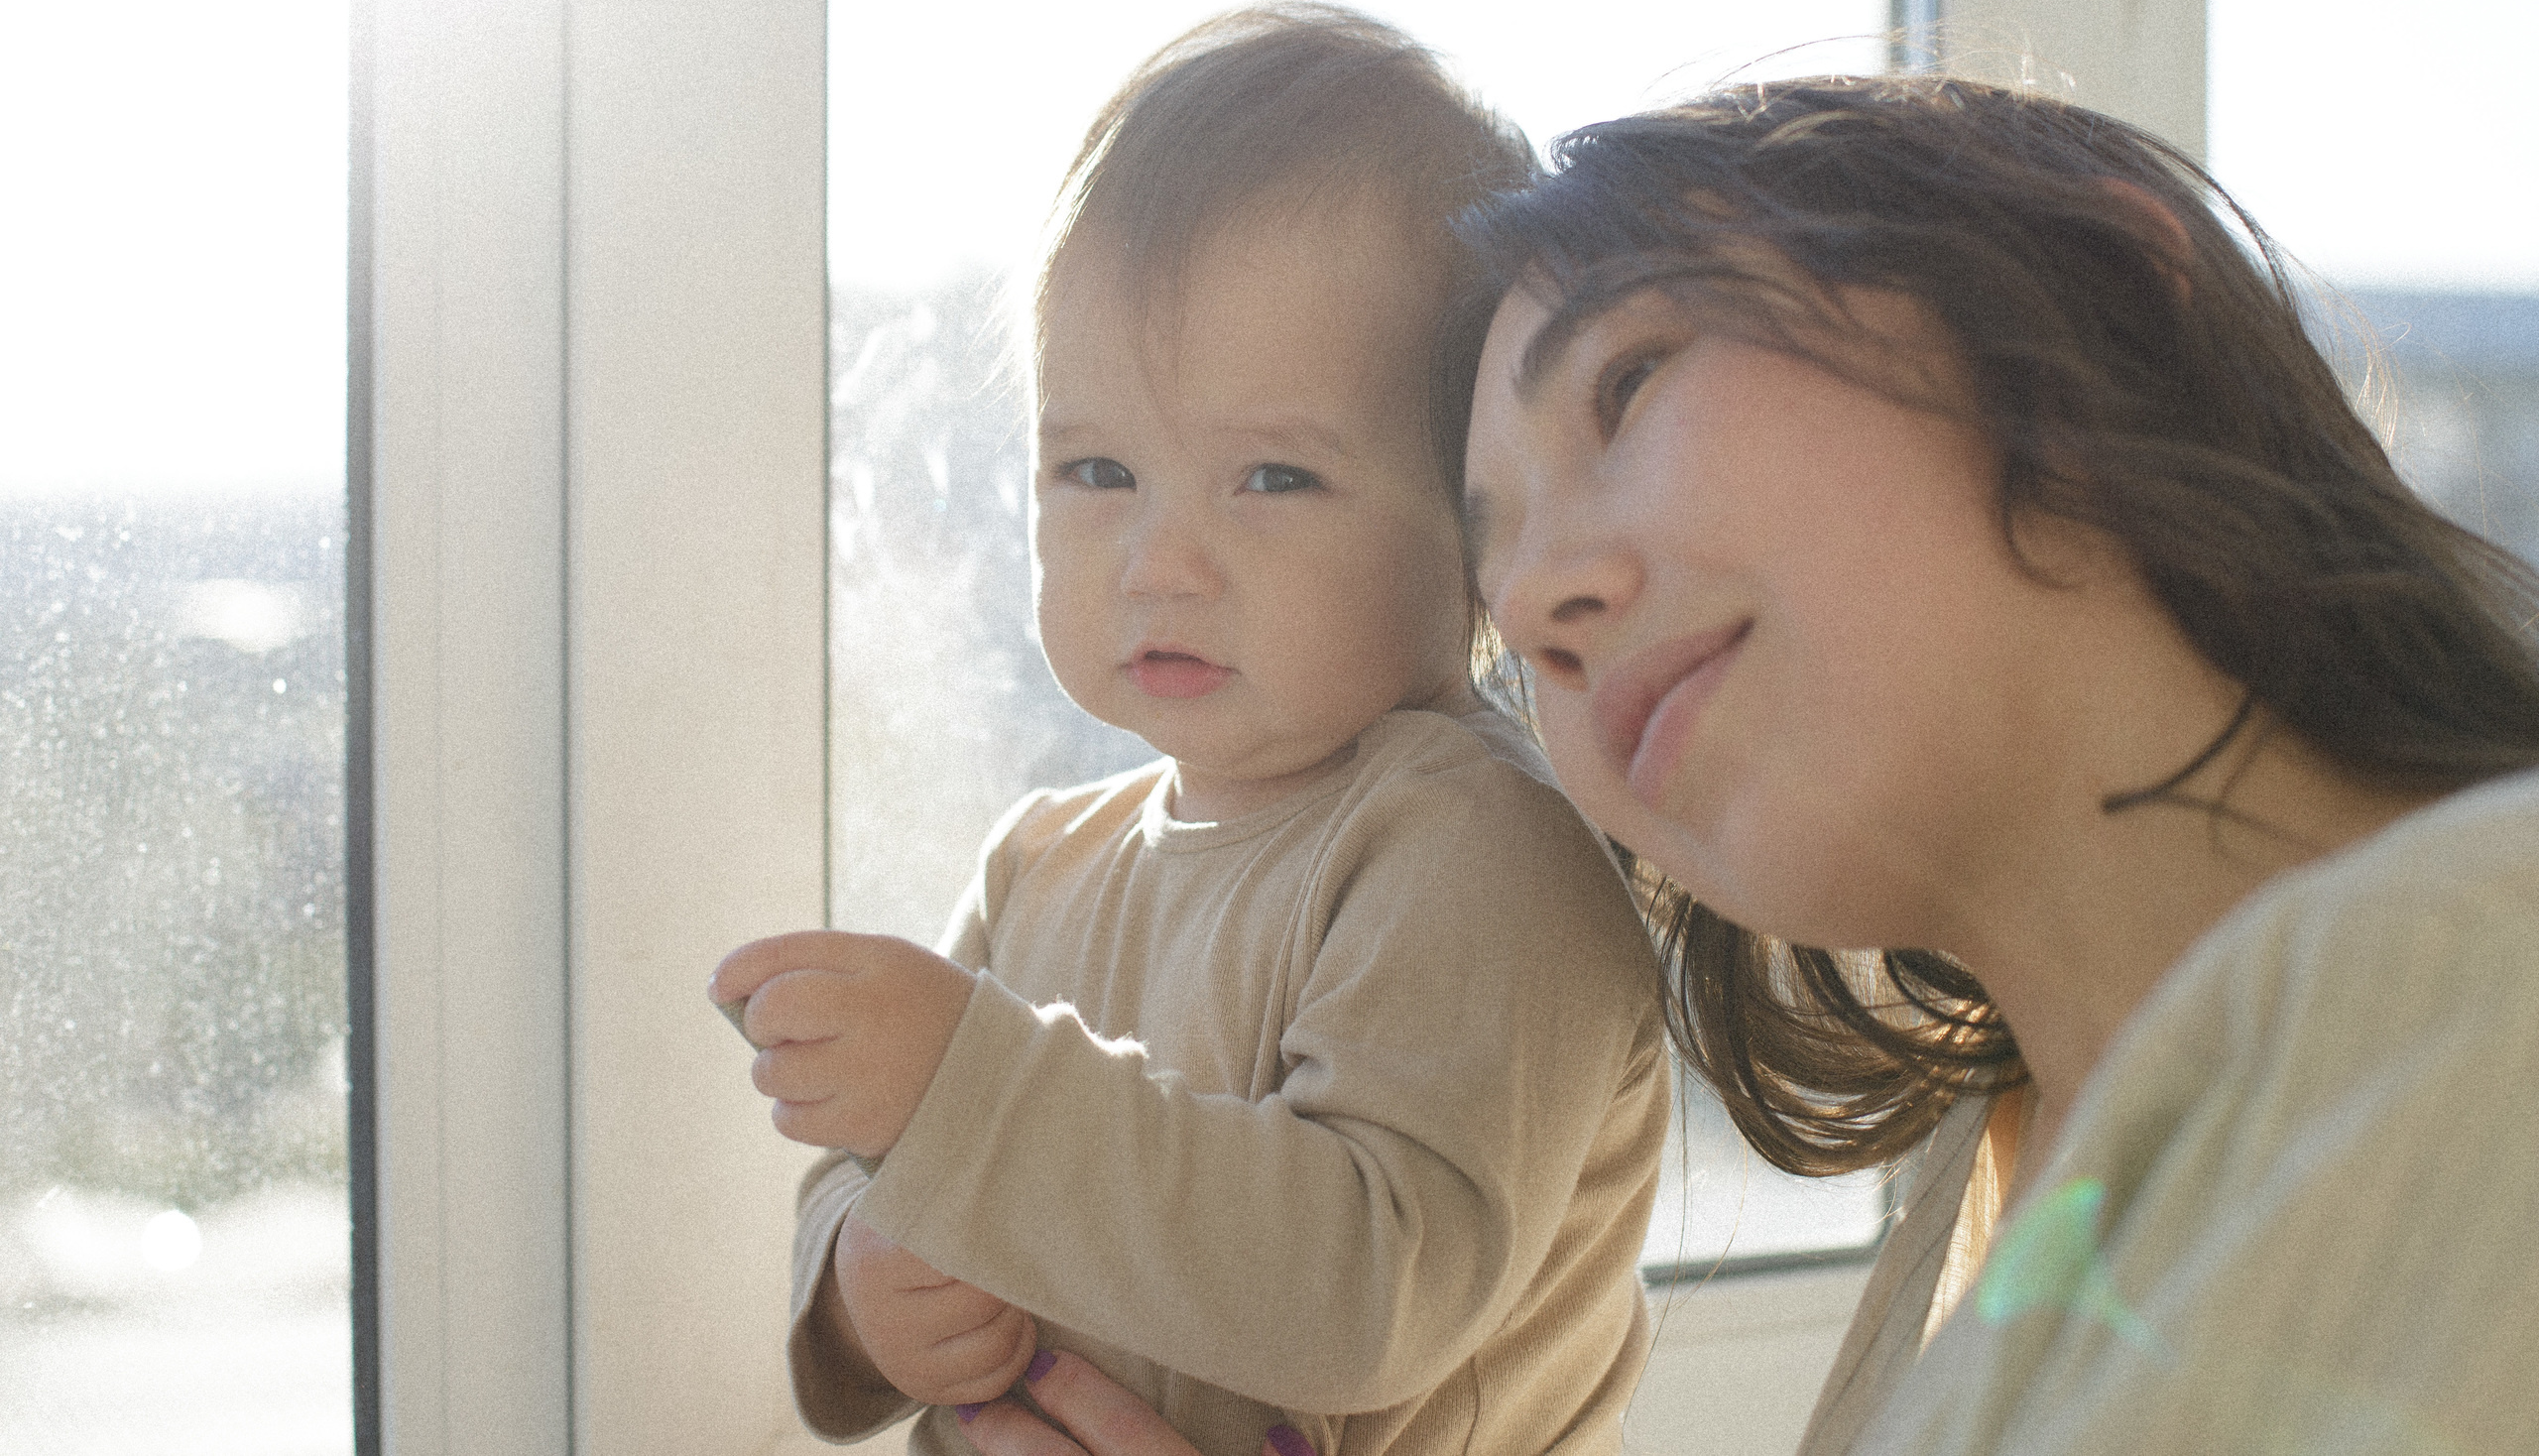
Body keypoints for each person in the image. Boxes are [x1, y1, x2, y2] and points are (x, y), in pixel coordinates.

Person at [953, 72, 2539, 1456]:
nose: (1539, 606)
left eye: (1628, 385)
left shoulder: (2485, 987)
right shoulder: (1992, 1221)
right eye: (1495, 567)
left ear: (2103, 294)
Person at [710, 4, 1674, 1456]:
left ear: (1479, 523)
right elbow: (887, 1161)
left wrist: (971, 1089)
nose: (1158, 560)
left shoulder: (1477, 851)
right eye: (1095, 467)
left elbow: (1367, 1287)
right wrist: (858, 1281)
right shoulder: (1044, 864)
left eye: (1272, 478)